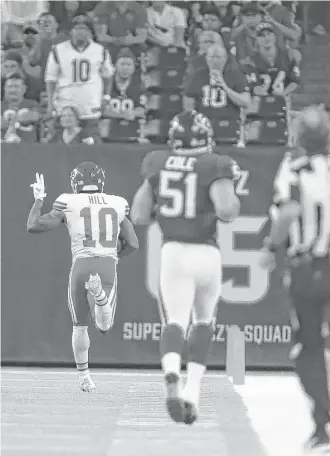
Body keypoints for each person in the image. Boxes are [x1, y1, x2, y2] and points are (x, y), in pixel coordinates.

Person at [131, 110, 241, 424]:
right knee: (204, 322)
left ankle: (170, 376)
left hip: (173, 252)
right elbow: (227, 211)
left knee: (175, 323)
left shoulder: (156, 161)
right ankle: (192, 392)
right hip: (206, 253)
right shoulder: (215, 164)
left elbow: (139, 215)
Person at [26, 162, 139, 392]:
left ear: (75, 183)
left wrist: (39, 199)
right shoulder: (118, 203)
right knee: (104, 326)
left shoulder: (68, 201)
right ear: (101, 181)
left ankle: (84, 378)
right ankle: (100, 297)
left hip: (80, 266)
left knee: (79, 326)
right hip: (106, 264)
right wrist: (115, 253)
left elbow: (33, 226)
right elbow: (134, 244)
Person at [260, 105, 330, 452]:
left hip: (310, 267)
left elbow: (287, 211)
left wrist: (272, 247)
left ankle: (323, 422)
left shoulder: (294, 168)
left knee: (309, 346)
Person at [45, 14, 114, 122]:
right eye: (77, 28)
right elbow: (51, 79)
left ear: (90, 32)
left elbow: (108, 75)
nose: (80, 32)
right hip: (65, 106)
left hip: (91, 106)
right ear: (71, 31)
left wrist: (106, 97)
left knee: (90, 137)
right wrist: (50, 104)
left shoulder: (100, 50)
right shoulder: (58, 50)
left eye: (84, 29)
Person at [249, 22, 300, 98]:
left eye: (269, 34)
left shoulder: (288, 56)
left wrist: (283, 94)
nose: (266, 38)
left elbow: (295, 80)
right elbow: (252, 84)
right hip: (259, 103)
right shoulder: (251, 60)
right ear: (256, 39)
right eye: (261, 36)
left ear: (275, 36)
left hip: (283, 101)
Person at [1, 73, 40, 143]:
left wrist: (11, 120)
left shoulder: (32, 104)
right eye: (10, 86)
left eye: (16, 86)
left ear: (24, 89)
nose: (13, 90)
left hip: (29, 147)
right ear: (4, 88)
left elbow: (35, 116)